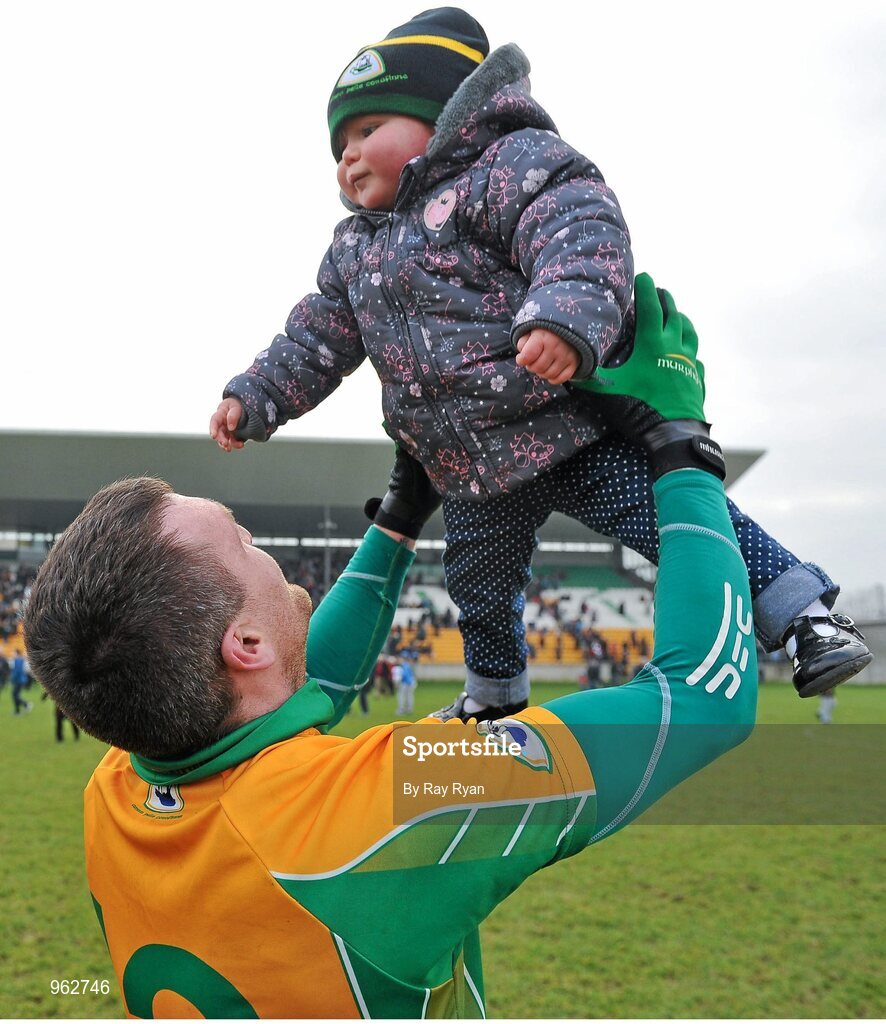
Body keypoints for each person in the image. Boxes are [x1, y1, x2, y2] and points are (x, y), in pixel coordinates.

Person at [26, 277, 768, 1017]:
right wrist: (681, 444)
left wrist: (399, 519)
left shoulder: (118, 785)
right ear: (243, 642)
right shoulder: (395, 797)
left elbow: (299, 682)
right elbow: (702, 702)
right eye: (245, 540)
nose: (260, 550)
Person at [209, 8, 869, 720]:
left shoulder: (506, 167)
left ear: (444, 116)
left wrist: (564, 318)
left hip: (560, 424)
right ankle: (494, 700)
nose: (348, 154)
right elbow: (316, 335)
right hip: (466, 466)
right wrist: (258, 394)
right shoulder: (353, 250)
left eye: (368, 130)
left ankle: (805, 615)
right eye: (339, 143)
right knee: (478, 588)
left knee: (672, 523)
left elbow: (580, 231)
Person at [10, 648, 32, 715]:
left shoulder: (18, 660)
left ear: (17, 653)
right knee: (15, 695)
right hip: (19, 680)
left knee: (15, 695)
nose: (12, 654)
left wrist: (13, 679)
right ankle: (17, 710)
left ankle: (26, 704)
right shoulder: (17, 660)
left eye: (14, 653)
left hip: (19, 681)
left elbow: (18, 672)